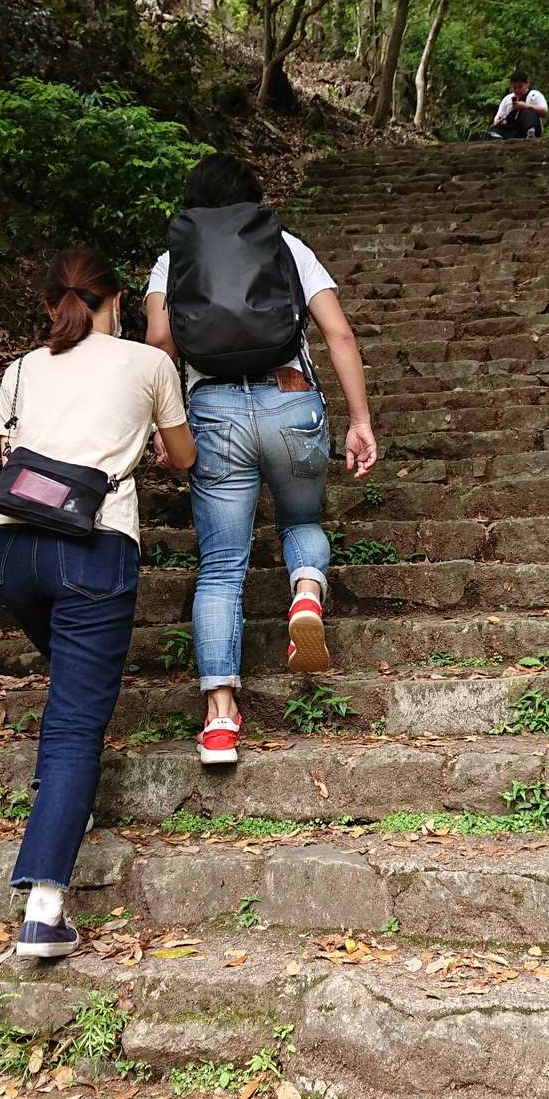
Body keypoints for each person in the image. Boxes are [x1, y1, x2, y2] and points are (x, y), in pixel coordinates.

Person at [0, 248, 195, 960]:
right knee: (76, 722)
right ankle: (44, 911)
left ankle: (61, 798)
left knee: (72, 692)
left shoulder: (20, 370)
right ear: (119, 301)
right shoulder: (149, 363)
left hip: (8, 550)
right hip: (92, 548)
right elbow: (184, 457)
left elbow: (15, 457)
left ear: (52, 305)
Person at [145, 153, 377, 768]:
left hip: (214, 411)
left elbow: (160, 345)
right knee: (301, 520)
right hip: (291, 398)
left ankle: (220, 720)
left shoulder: (173, 259)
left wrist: (164, 427)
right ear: (253, 199)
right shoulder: (286, 245)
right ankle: (306, 593)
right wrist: (359, 421)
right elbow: (339, 334)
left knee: (221, 567)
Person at [491, 69, 549, 140]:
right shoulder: (507, 99)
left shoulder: (535, 94)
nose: (517, 90)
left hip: (528, 126)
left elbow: (545, 112)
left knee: (529, 111)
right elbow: (497, 118)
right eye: (514, 88)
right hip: (512, 130)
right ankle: (497, 136)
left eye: (520, 87)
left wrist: (525, 105)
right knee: (495, 128)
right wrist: (499, 121)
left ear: (527, 84)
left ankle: (530, 133)